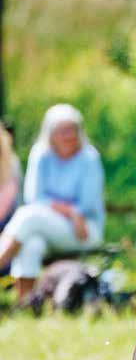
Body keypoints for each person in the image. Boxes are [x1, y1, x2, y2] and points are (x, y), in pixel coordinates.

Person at [0, 104, 104, 303]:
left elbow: (88, 204)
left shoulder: (89, 157)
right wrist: (71, 211)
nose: (69, 135)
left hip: (84, 230)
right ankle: (26, 304)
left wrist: (73, 213)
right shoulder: (41, 154)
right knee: (31, 243)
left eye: (73, 130)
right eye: (63, 131)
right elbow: (35, 197)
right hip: (48, 225)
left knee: (28, 216)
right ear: (51, 134)